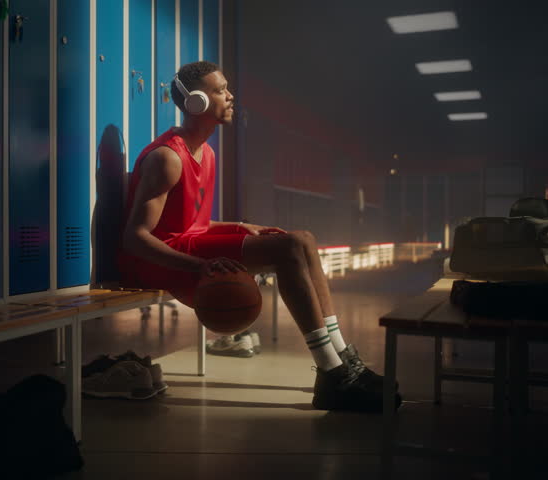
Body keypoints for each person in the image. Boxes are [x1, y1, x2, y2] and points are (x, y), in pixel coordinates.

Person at [119, 61, 400, 412]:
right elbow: (136, 238)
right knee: (290, 246)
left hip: (181, 247)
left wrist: (237, 226)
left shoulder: (206, 152)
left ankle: (344, 360)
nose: (231, 96)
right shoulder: (168, 157)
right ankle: (333, 374)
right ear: (196, 103)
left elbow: (193, 224)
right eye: (220, 90)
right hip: (157, 261)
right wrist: (198, 267)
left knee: (304, 239)